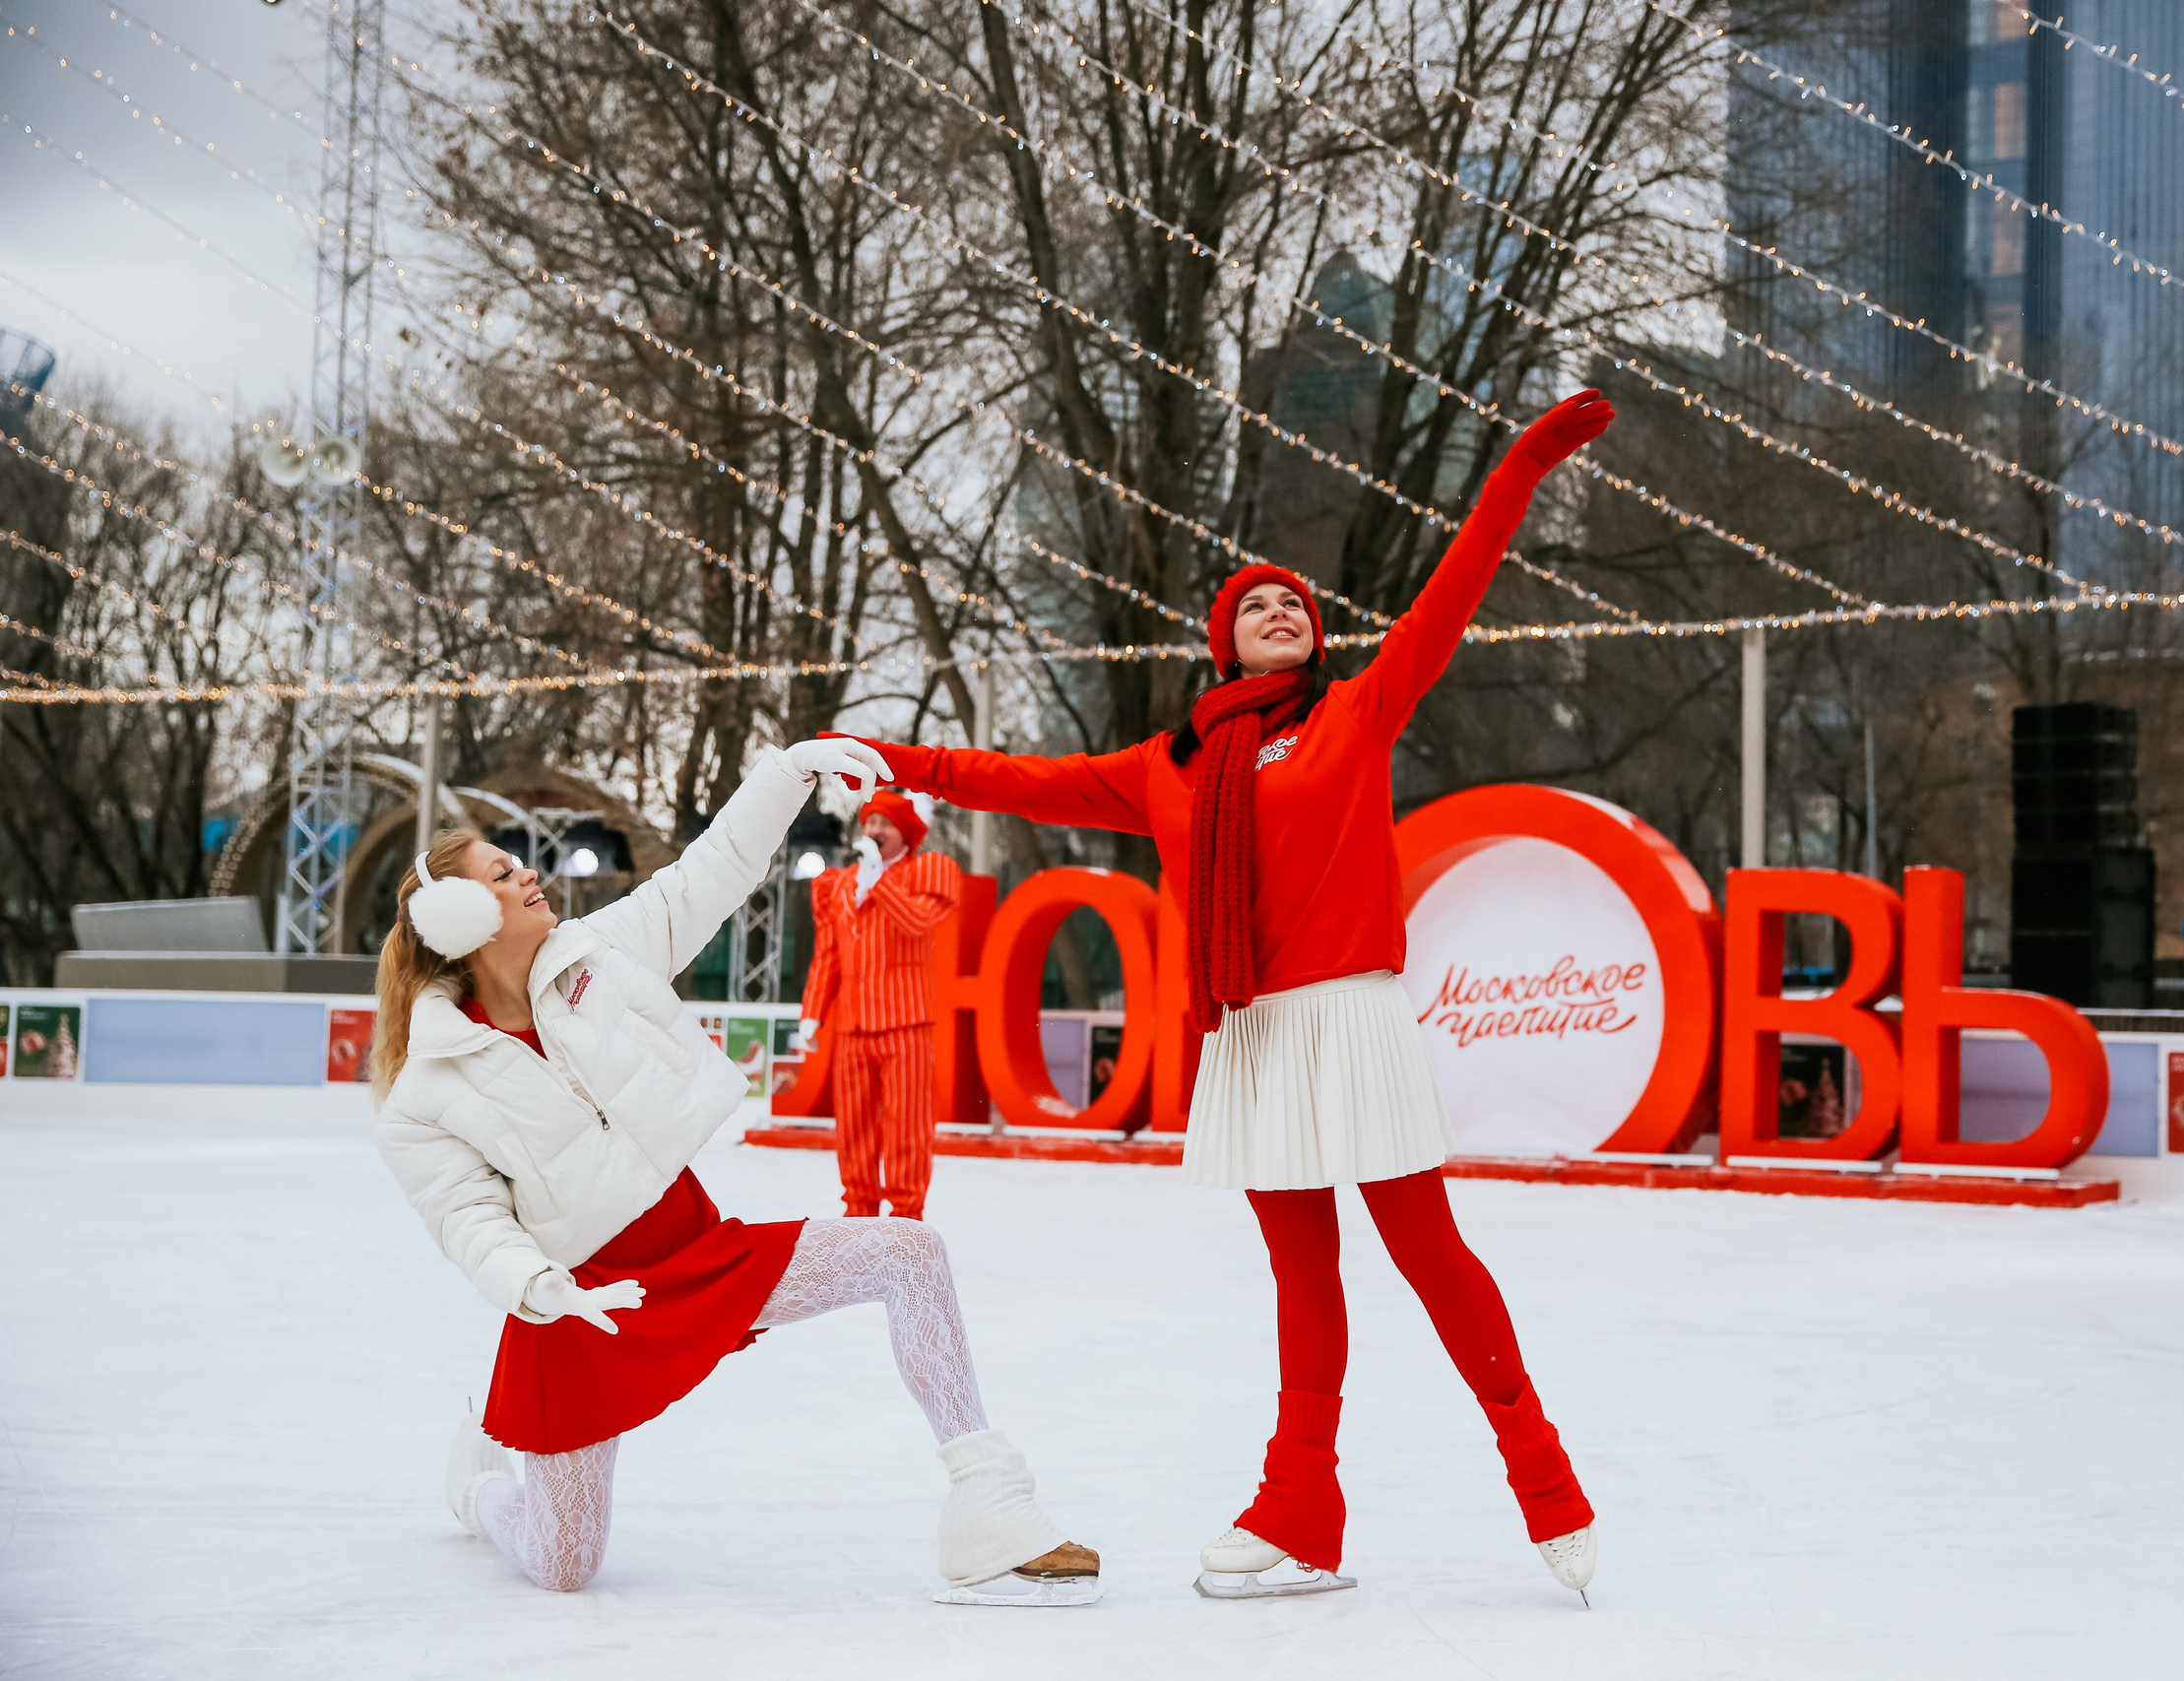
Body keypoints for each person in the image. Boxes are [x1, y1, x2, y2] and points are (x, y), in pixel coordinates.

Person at [840, 390, 1616, 1601]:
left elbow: (1457, 584)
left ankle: (1544, 1477)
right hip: (1251, 1032)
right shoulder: (1173, 766)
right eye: (1255, 603)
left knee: (1430, 1255)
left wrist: (1519, 466)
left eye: (1295, 605)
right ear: (1222, 640)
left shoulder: (1357, 711)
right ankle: (1301, 1509)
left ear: (1314, 639)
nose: (1277, 610)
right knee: (1302, 1278)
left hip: (1348, 1016)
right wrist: (895, 761)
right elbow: (1021, 780)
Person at [370, 739, 1098, 1604]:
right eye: (500, 872)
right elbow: (467, 1218)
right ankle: (480, 1487)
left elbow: (709, 871)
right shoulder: (426, 1088)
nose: (529, 873)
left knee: (908, 1252)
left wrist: (792, 769)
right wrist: (538, 1286)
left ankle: (989, 1502)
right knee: (566, 1564)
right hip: (582, 1308)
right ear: (457, 917)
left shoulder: (600, 954)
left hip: (697, 1252)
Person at [797, 788, 960, 1218]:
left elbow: (918, 922)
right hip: (853, 1027)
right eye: (870, 821)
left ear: (905, 833)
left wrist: (878, 880)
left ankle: (907, 1216)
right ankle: (859, 1214)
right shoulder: (838, 884)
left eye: (885, 823)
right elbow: (828, 954)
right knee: (852, 1130)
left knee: (908, 1127)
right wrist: (812, 1014)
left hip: (907, 1024)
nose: (874, 829)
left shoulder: (926, 871)